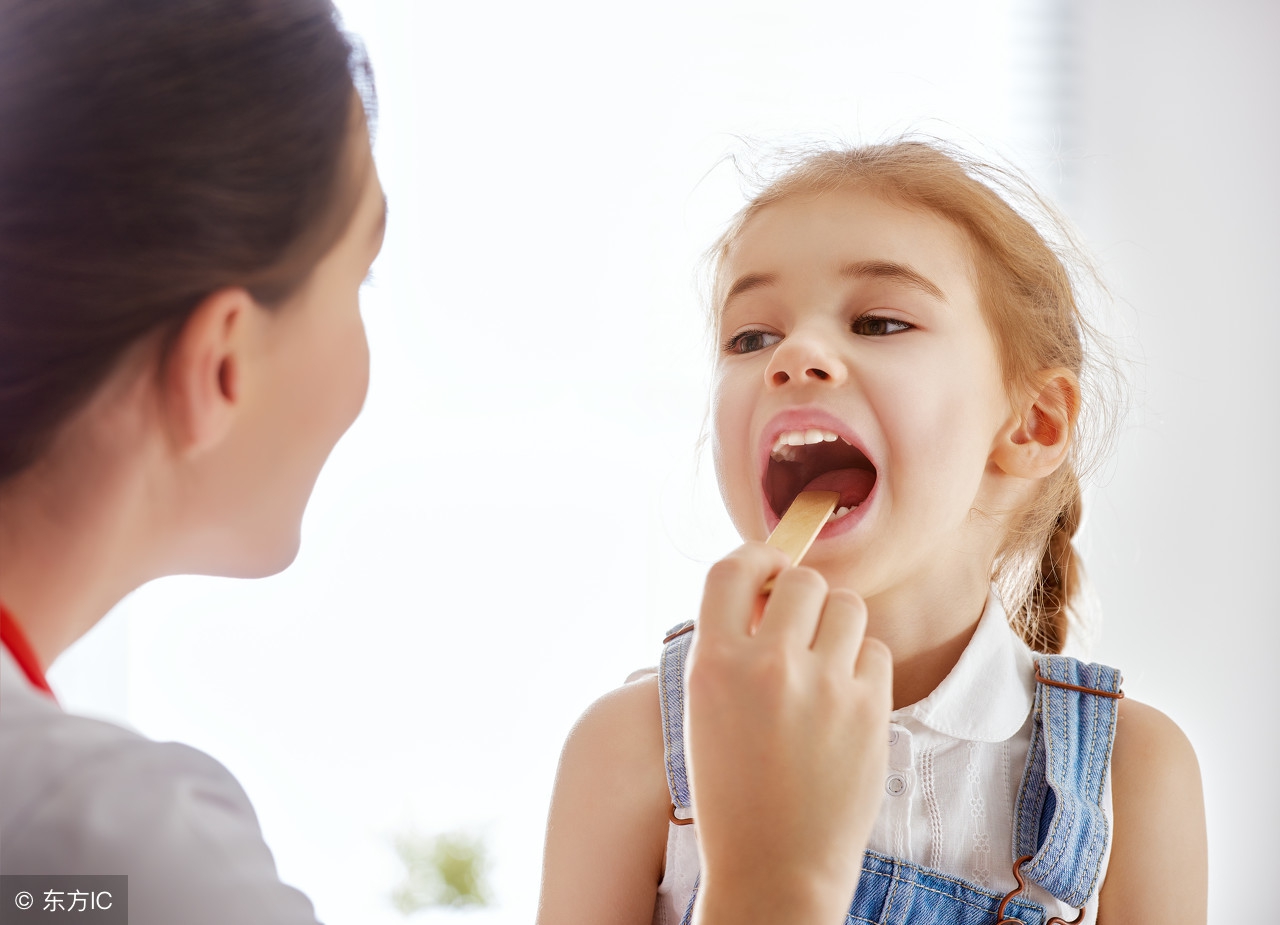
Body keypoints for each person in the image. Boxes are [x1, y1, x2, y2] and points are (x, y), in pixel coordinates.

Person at [0, 3, 889, 923]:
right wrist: (778, 882)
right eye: (359, 279)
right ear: (224, 363)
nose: (799, 360)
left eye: (882, 322)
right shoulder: (106, 856)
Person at [537, 142, 1209, 924]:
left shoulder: (1133, 777)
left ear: (1032, 423)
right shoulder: (628, 750)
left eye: (879, 321)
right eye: (750, 337)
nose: (794, 356)